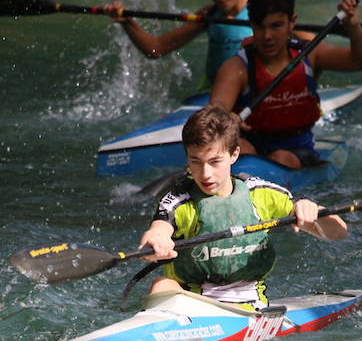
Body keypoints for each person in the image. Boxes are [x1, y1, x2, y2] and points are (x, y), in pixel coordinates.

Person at [138, 105, 347, 309]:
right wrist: (156, 241)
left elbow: (338, 233)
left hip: (250, 306)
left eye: (214, 162)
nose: (205, 173)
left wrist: (311, 211)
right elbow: (157, 231)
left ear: (234, 155)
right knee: (161, 286)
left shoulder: (261, 194)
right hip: (193, 304)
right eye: (196, 161)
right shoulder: (178, 200)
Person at [209, 0, 362, 168]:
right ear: (252, 25)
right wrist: (224, 117)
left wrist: (353, 27)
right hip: (250, 146)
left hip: (296, 150)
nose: (267, 36)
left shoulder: (310, 54)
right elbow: (217, 105)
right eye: (260, 27)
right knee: (239, 149)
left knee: (281, 158)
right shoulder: (236, 67)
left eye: (276, 26)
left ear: (292, 22)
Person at [103, 0, 251, 89]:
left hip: (251, 91)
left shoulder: (262, 11)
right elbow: (156, 49)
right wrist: (127, 23)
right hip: (215, 92)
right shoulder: (210, 14)